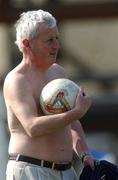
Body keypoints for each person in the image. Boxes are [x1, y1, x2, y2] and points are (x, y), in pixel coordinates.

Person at [4, 10, 95, 180]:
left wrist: (84, 154)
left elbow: (72, 123)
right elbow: (32, 127)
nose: (56, 45)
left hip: (67, 171)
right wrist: (77, 112)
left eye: (57, 38)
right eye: (49, 40)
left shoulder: (59, 72)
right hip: (31, 170)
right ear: (27, 43)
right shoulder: (17, 80)